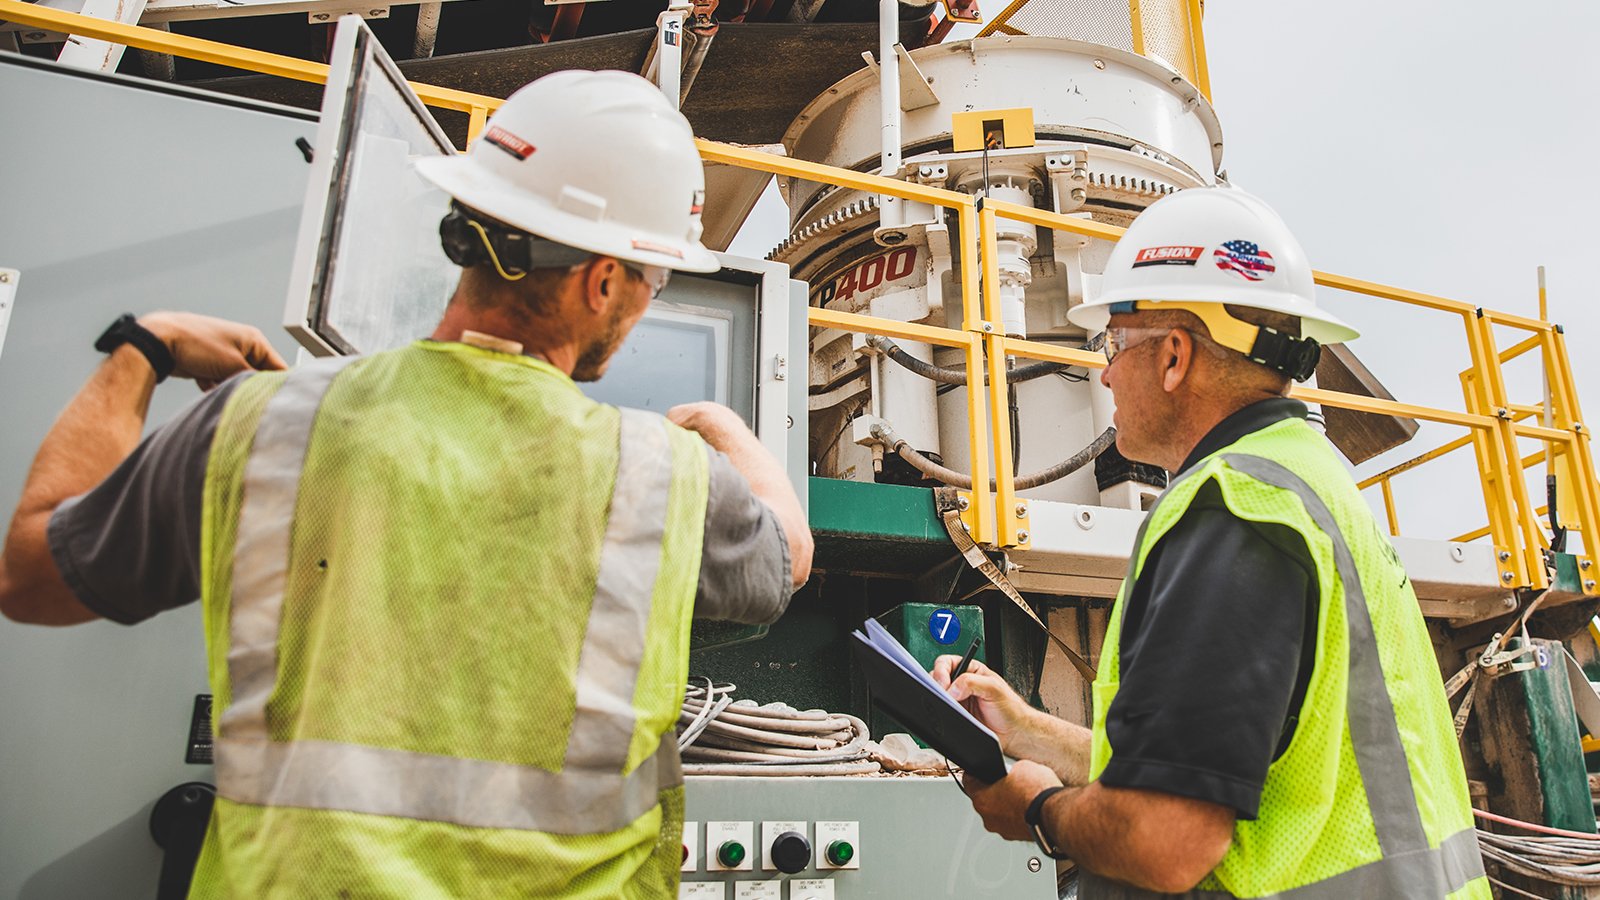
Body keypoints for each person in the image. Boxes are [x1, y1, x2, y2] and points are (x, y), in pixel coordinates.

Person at [0, 70, 811, 898]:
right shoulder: (666, 476)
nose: (644, 302)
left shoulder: (260, 420)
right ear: (600, 282)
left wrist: (143, 347)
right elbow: (789, 555)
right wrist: (726, 429)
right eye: (653, 280)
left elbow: (31, 574)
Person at [931, 187, 1488, 898]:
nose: (1103, 373)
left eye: (1113, 344)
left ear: (1173, 356)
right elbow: (1202, 772)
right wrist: (1027, 730)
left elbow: (1166, 840)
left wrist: (1036, 808)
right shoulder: (1313, 484)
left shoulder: (1232, 511)